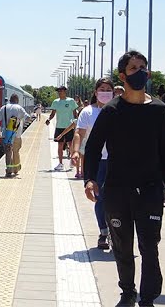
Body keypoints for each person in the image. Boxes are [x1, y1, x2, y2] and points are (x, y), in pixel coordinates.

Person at [84, 51, 165, 307]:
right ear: (123, 76)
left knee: (149, 246)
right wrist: (90, 179)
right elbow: (93, 148)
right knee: (123, 246)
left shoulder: (158, 109)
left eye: (143, 67)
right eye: (134, 68)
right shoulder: (112, 111)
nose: (141, 72)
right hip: (116, 190)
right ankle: (127, 292)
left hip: (150, 190)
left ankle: (148, 297)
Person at [75, 78, 116, 250]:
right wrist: (76, 151)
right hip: (97, 162)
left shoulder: (119, 110)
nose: (105, 92)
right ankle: (104, 232)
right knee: (100, 199)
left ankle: (118, 232)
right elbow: (79, 133)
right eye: (102, 89)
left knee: (118, 199)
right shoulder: (87, 112)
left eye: (108, 89)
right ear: (96, 92)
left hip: (117, 161)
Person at [45, 86, 79, 170]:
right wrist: (49, 119)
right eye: (58, 91)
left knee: (70, 144)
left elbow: (75, 113)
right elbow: (53, 113)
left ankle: (72, 161)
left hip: (69, 126)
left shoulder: (71, 101)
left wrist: (77, 123)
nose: (59, 93)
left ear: (65, 92)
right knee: (59, 145)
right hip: (59, 126)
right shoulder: (56, 102)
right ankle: (60, 163)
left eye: (61, 91)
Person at [0, 94, 30, 177]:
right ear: (17, 100)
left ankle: (9, 170)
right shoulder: (19, 108)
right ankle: (16, 169)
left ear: (10, 100)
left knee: (8, 152)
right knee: (16, 151)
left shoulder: (4, 108)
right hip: (17, 134)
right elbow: (28, 117)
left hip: (6, 134)